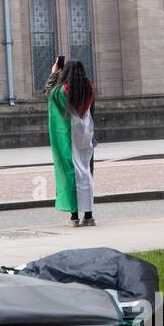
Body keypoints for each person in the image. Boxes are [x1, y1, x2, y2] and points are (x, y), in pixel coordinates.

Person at [45, 58, 96, 226]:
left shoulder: (61, 91)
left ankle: (74, 217)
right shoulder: (89, 89)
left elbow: (48, 93)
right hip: (86, 133)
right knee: (86, 173)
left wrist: (54, 74)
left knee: (70, 171)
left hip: (69, 134)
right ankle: (88, 215)